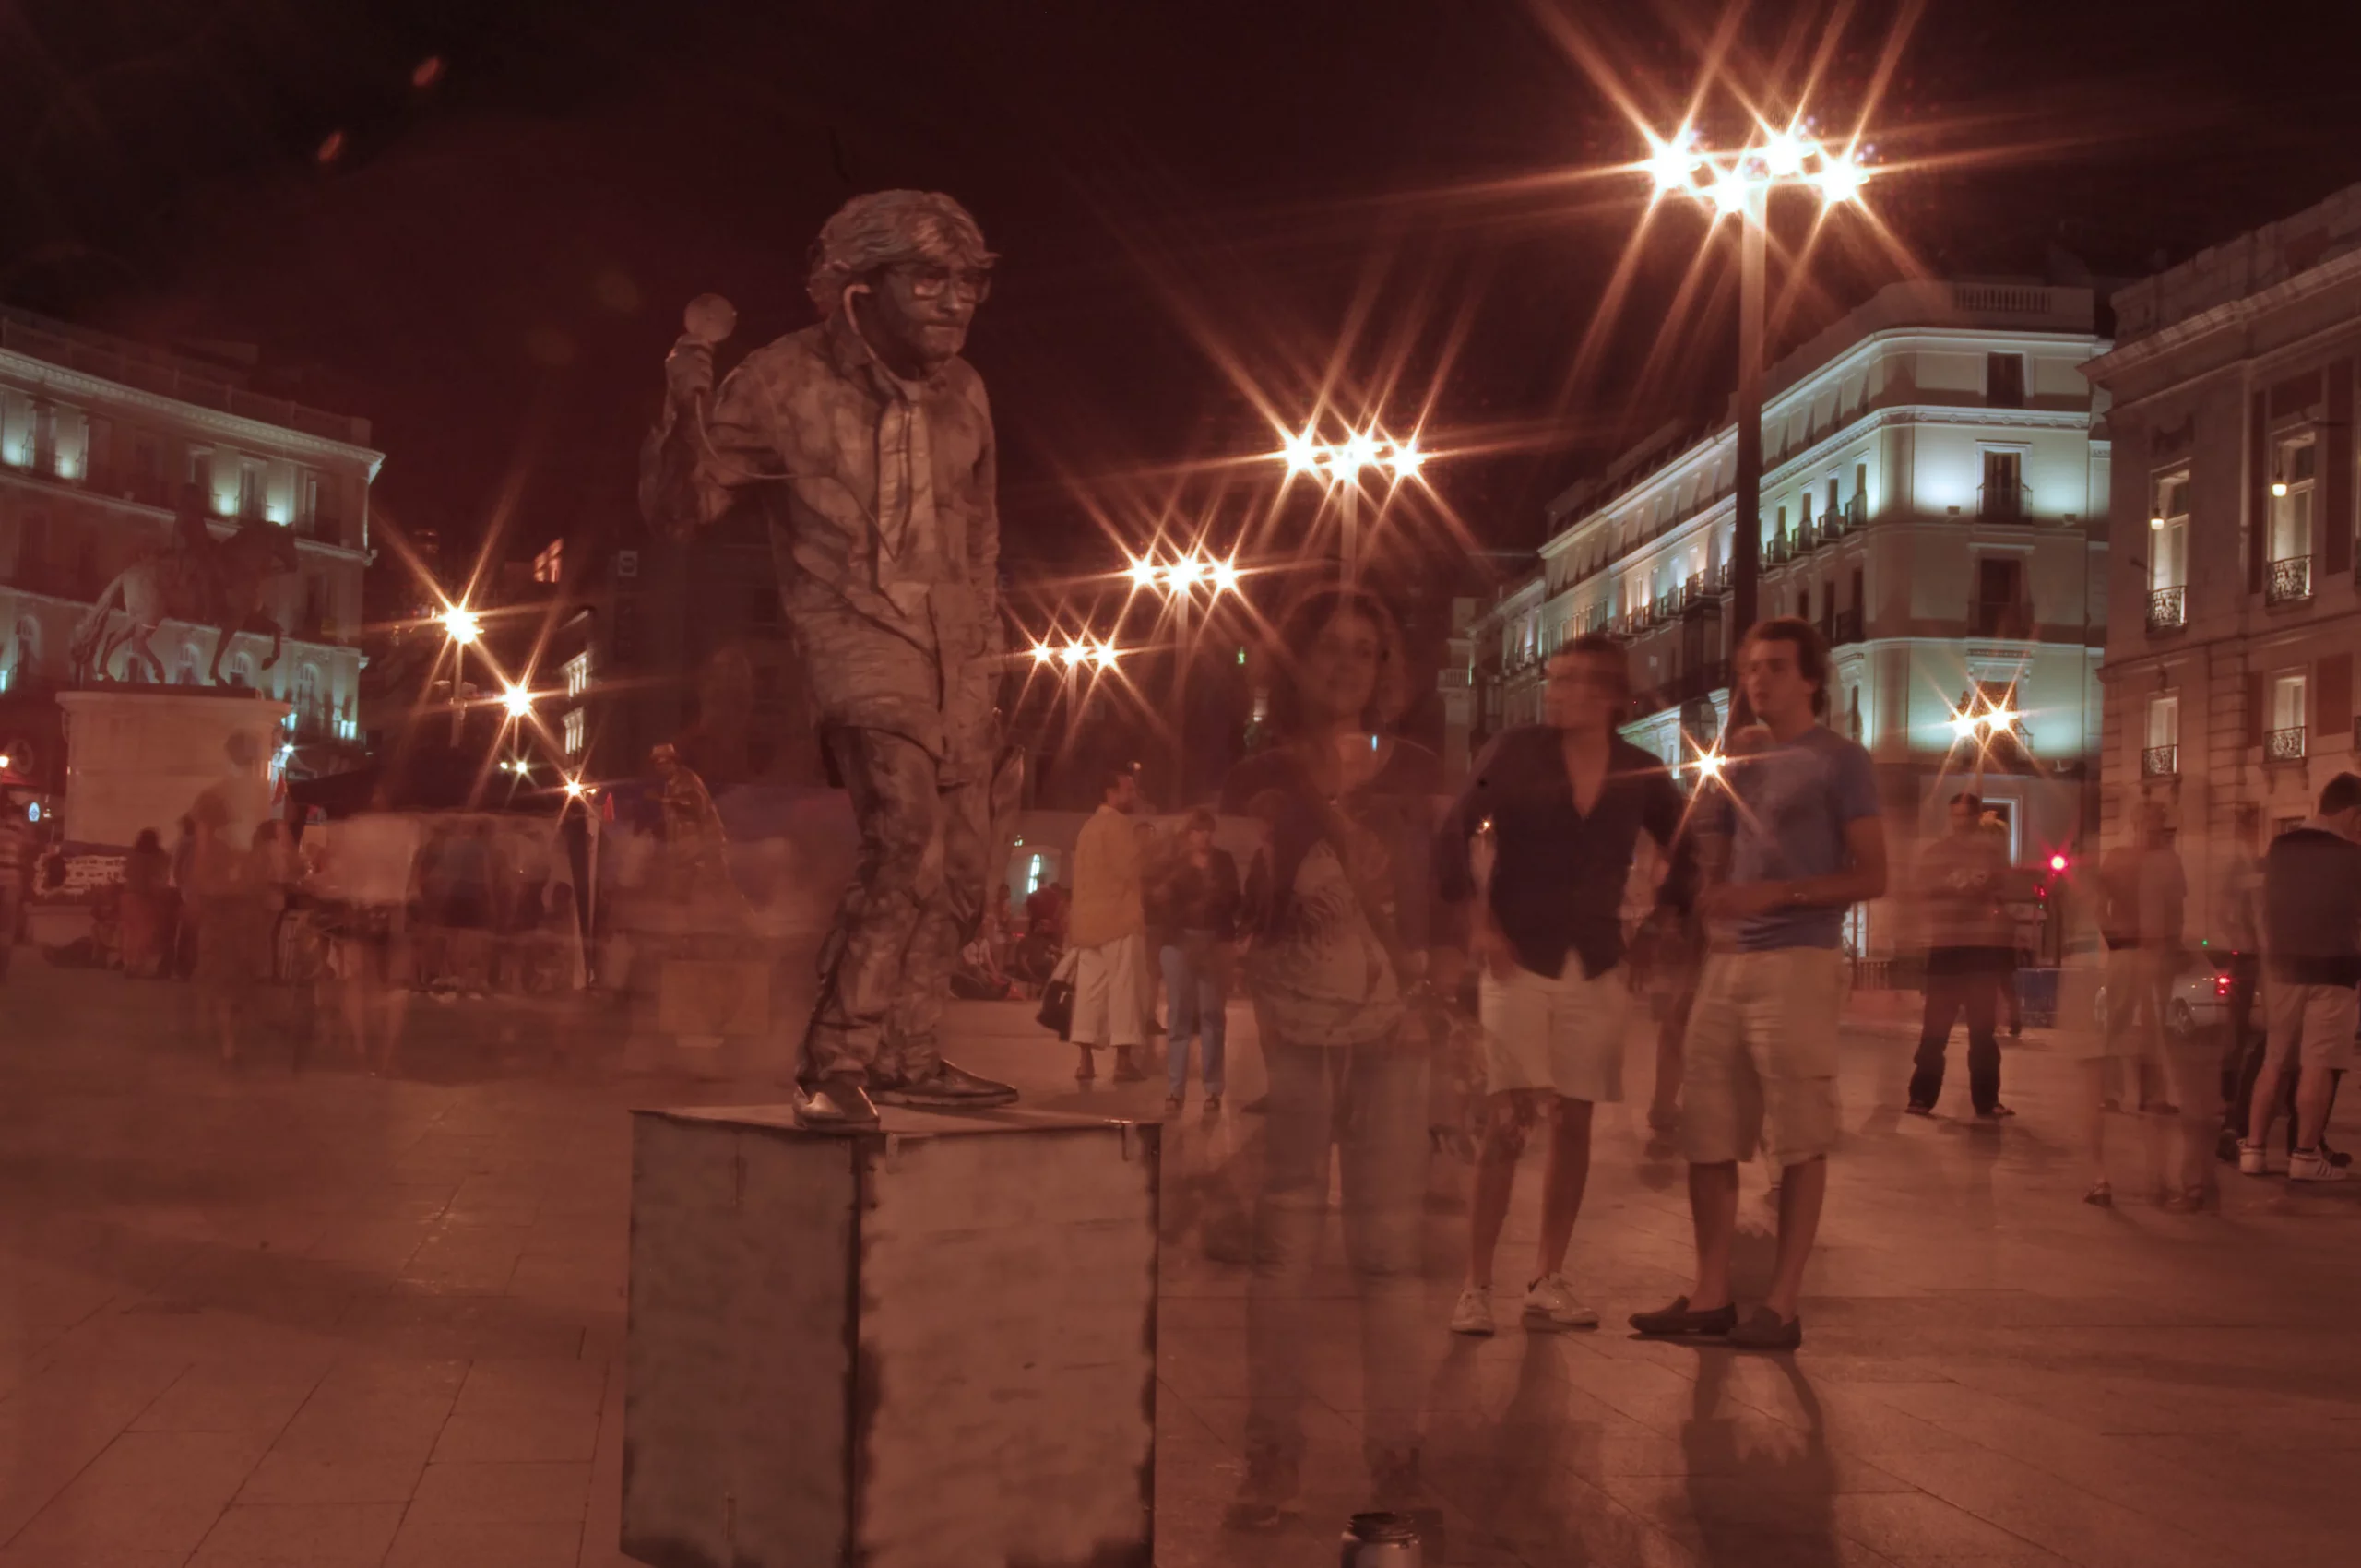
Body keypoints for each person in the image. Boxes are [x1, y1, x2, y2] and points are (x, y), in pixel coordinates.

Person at [640, 189, 1020, 1126]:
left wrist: (988, 656)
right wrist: (685, 394)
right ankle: (833, 1058)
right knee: (906, 837)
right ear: (858, 287)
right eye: (927, 278)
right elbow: (681, 509)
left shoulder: (966, 394)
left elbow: (980, 538)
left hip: (959, 649)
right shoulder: (779, 382)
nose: (953, 300)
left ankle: (908, 1052)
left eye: (967, 280)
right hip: (855, 634)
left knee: (964, 864)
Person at [1219, 587, 1453, 1530]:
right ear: (1298, 663)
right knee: (1282, 1252)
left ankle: (1395, 1454)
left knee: (1389, 1254)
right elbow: (1234, 908)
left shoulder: (1419, 770)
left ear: (1387, 667)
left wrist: (1431, 999)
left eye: (1368, 648)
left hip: (1391, 1034)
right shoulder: (1256, 777)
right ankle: (1271, 1450)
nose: (1350, 662)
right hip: (1287, 1032)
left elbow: (1439, 901)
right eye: (1331, 647)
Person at [1631, 618, 1886, 1353]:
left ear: (1812, 679)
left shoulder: (1842, 761)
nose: (1757, 681)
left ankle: (1781, 1302)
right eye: (1749, 669)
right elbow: (1711, 849)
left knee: (1798, 1130)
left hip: (1799, 960)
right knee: (1705, 1126)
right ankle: (1712, 1292)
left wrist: (1777, 897)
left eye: (1774, 667)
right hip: (1727, 960)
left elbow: (1873, 873)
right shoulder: (1740, 759)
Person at [1437, 635, 1695, 1337]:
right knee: (1506, 1119)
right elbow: (1452, 832)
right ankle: (1475, 1284)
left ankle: (1549, 1278)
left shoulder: (1640, 772)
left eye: (1577, 681)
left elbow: (1691, 848)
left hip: (1597, 962)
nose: (1559, 691)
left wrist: (1657, 927)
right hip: (1517, 959)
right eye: (1555, 679)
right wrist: (1479, 922)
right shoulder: (1515, 752)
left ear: (1611, 696)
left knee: (1574, 1119)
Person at [2238, 774, 2361, 1184]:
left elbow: (2264, 908)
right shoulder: (2352, 855)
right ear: (2351, 813)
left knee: (2274, 1060)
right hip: (2333, 970)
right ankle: (2305, 1155)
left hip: (2283, 968)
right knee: (2317, 1065)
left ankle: (2253, 1149)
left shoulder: (2280, 848)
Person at [2084, 802, 2194, 1206]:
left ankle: (2141, 1090)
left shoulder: (2157, 861)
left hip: (2146, 952)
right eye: (2146, 823)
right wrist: (2113, 932)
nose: (2150, 829)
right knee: (2121, 1021)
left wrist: (2168, 943)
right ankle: (2118, 1089)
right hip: (2132, 950)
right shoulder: (2133, 860)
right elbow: (2102, 901)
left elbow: (2175, 909)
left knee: (2149, 1025)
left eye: (2155, 823)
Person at [1906, 792, 2015, 1119]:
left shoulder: (1991, 854)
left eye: (1965, 817)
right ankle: (1921, 1097)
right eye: (1955, 816)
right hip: (1946, 951)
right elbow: (1920, 894)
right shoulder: (1936, 854)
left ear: (1976, 817)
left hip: (1980, 953)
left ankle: (1986, 1100)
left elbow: (2005, 891)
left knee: (1982, 1033)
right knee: (1934, 1031)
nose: (1959, 823)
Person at [1149, 807, 1240, 1113]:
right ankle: (1175, 1090)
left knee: (1213, 1015)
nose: (1205, 836)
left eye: (1208, 830)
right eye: (1199, 830)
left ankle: (1213, 1089)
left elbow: (1234, 900)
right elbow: (1159, 902)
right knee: (1179, 1016)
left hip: (1213, 941)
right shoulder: (1173, 865)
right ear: (1188, 834)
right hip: (1179, 942)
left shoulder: (1223, 862)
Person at [1068, 766, 1148, 1084]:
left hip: (1087, 924)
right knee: (1124, 991)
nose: (1133, 796)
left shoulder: (1087, 827)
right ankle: (1123, 1064)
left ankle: (1085, 1062)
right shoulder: (1117, 825)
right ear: (1110, 794)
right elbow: (1130, 869)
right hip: (1118, 920)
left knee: (1089, 994)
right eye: (1128, 790)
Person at [119, 827, 176, 979]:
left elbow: (126, 873)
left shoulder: (133, 855)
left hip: (129, 896)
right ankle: (138, 965)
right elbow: (162, 875)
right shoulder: (160, 857)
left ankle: (128, 964)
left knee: (130, 933)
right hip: (147, 898)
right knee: (144, 934)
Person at [0, 791, 31, 981]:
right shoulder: (18, 829)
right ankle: (1, 969)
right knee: (6, 928)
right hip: (11, 878)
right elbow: (26, 852)